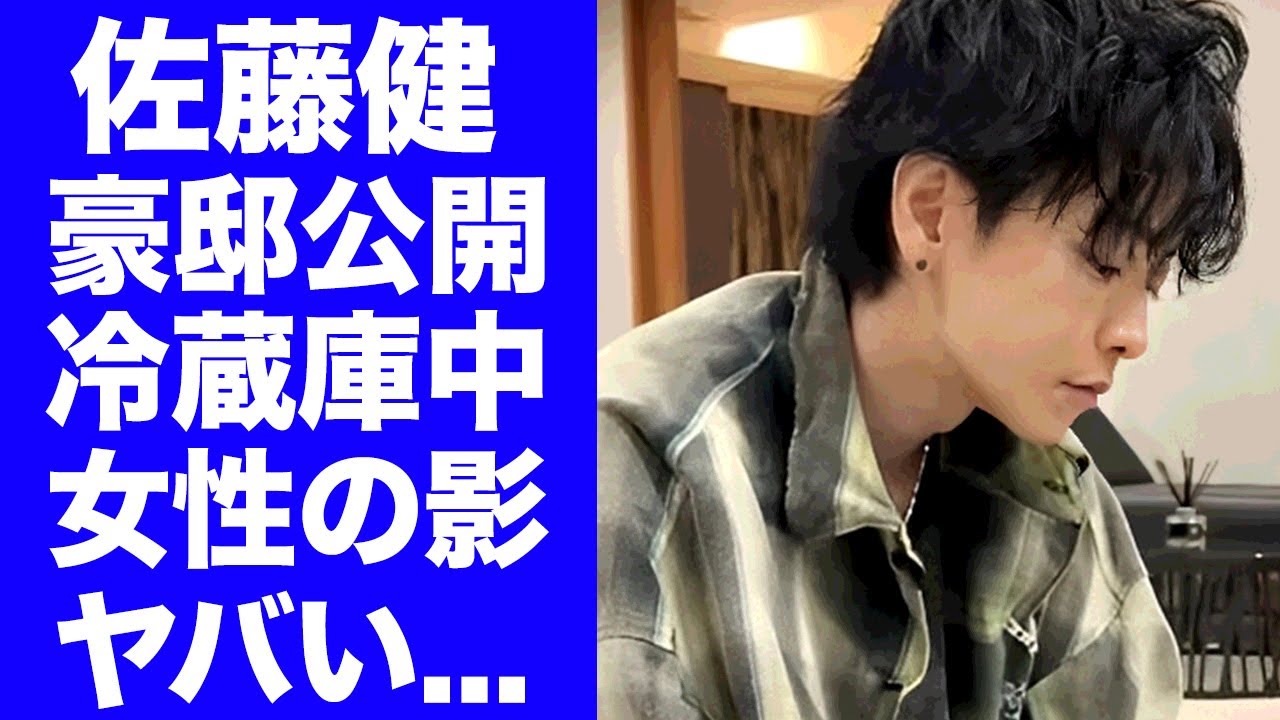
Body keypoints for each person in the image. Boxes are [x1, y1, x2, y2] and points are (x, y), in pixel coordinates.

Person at [597, 0, 1248, 717]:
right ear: (929, 213)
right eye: (1102, 261)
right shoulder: (643, 457)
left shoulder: (1049, 490)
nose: (1133, 334)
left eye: (1150, 280)